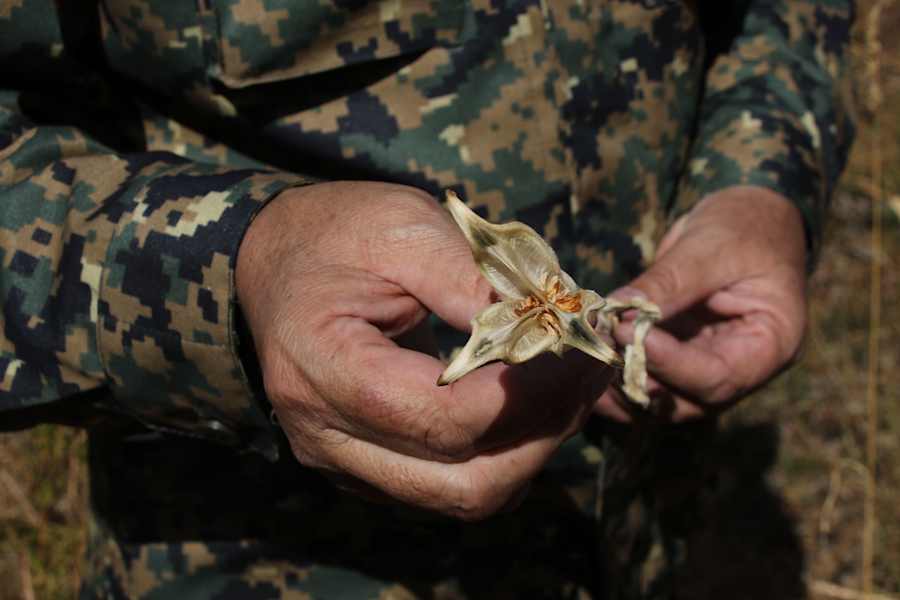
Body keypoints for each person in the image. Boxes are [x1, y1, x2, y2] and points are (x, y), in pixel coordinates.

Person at [0, 0, 854, 598]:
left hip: (657, 525)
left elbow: (785, 17)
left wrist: (762, 174)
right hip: (274, 553)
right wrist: (231, 273)